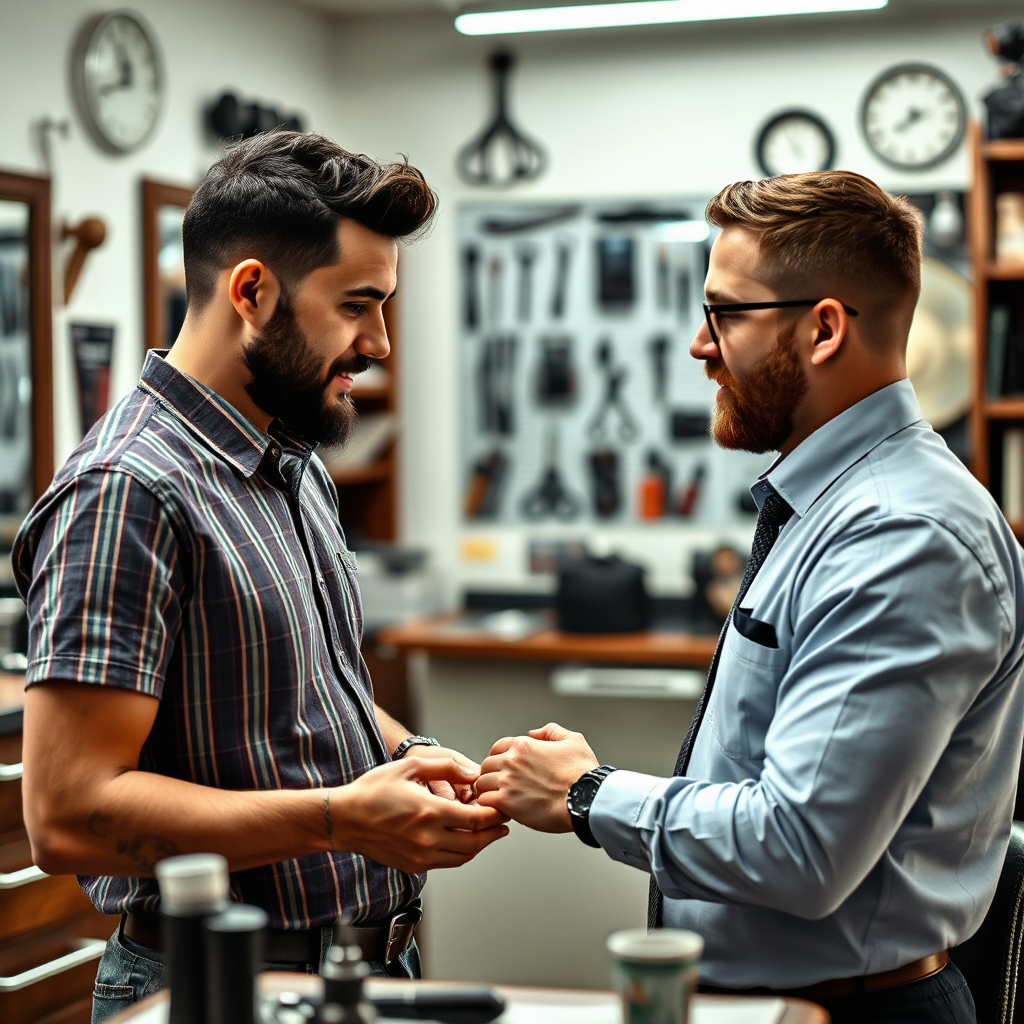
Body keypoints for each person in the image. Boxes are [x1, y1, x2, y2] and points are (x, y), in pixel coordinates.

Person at [475, 171, 1024, 1024]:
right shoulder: (832, 508)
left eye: (725, 314)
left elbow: (801, 848)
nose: (700, 345)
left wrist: (589, 793)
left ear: (823, 330)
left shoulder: (900, 535)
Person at [13, 132, 509, 1024]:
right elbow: (67, 815)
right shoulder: (127, 491)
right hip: (215, 985)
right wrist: (339, 817)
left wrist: (402, 758)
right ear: (252, 291)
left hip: (363, 964)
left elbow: (309, 693)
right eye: (358, 305)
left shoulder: (289, 458)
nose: (381, 343)